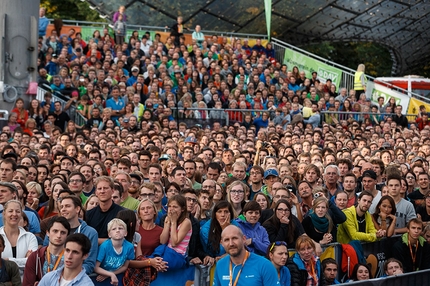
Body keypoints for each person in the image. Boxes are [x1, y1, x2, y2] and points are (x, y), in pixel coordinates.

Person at [212, 225, 279, 286]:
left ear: (244, 239)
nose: (231, 243)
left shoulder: (264, 265)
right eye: (226, 240)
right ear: (222, 243)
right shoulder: (220, 264)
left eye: (235, 238)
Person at [23, 216, 71, 285]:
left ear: (67, 236)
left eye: (63, 232)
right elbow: (27, 284)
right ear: (47, 233)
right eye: (55, 231)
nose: (58, 235)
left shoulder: (71, 258)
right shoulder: (35, 257)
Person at [0, 200, 38, 278]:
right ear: (4, 214)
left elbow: (33, 262)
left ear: (21, 214)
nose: (14, 214)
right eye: (10, 211)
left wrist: (7, 260)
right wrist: (24, 260)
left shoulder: (30, 237)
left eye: (17, 211)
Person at [94, 218, 135, 285]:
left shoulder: (129, 246)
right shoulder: (105, 246)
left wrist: (111, 274)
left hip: (116, 274)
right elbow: (96, 267)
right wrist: (110, 274)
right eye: (114, 229)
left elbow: (125, 266)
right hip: (99, 277)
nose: (117, 231)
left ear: (126, 233)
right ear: (109, 234)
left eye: (120, 228)